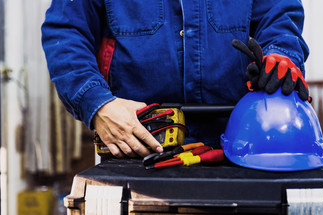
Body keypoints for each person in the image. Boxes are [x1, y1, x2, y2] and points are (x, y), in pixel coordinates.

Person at [41, 0, 309, 158]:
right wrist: (98, 104)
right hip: (135, 144)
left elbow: (279, 15)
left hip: (242, 144)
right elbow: (66, 32)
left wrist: (280, 54)